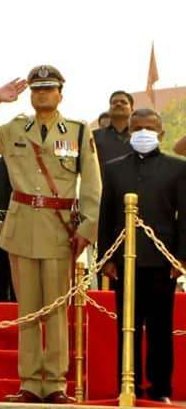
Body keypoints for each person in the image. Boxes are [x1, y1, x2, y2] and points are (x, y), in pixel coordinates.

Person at [0, 65, 102, 404]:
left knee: (56, 310)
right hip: (22, 225)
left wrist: (87, 227)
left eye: (48, 88)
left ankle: (55, 383)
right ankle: (30, 383)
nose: (42, 94)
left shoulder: (76, 130)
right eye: (36, 89)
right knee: (27, 309)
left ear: (61, 92)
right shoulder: (15, 128)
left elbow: (91, 183)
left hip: (59, 226)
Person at [98, 108, 186, 404]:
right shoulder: (112, 168)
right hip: (123, 261)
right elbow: (106, 215)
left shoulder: (178, 168)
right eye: (137, 128)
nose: (143, 132)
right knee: (128, 326)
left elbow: (184, 216)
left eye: (149, 128)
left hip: (163, 262)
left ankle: (160, 388)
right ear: (129, 134)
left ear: (161, 134)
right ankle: (128, 385)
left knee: (161, 328)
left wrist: (181, 258)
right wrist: (105, 257)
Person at [0, 157, 16, 302]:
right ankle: (0, 306)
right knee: (0, 270)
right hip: (3, 224)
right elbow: (0, 189)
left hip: (28, 223)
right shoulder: (4, 160)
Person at [93, 91, 133, 170]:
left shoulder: (140, 136)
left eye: (123, 102)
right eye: (114, 102)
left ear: (132, 110)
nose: (118, 104)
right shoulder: (94, 136)